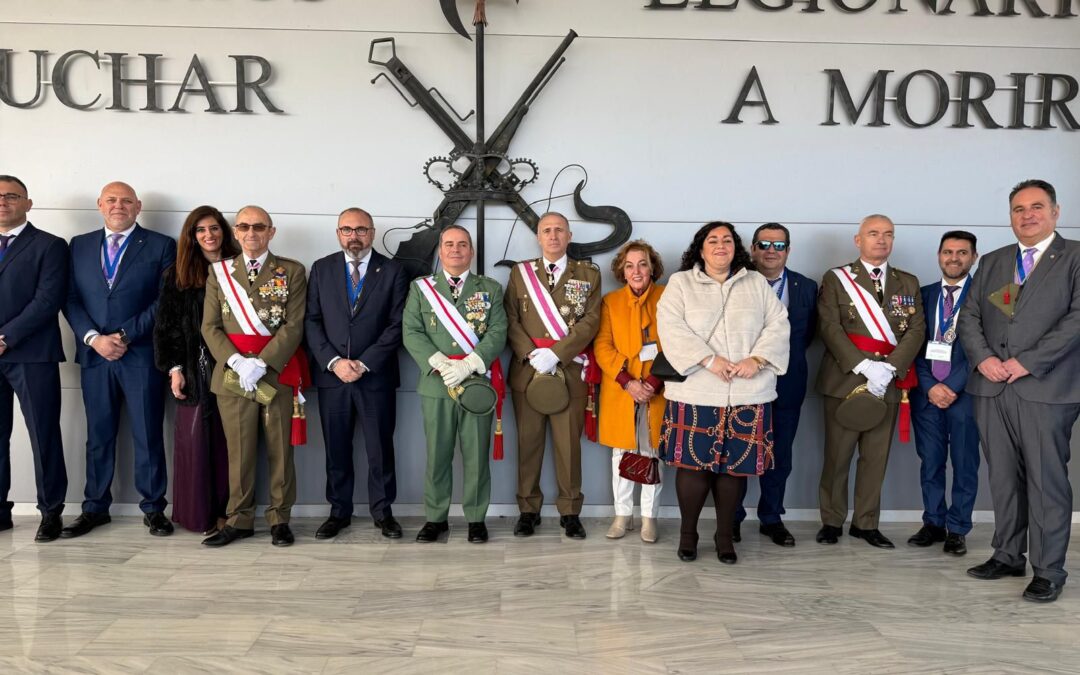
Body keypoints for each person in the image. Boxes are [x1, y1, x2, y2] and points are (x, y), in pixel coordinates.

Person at [958, 179, 1080, 603]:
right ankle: (1008, 554)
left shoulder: (1075, 257)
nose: (1027, 215)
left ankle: (1048, 570)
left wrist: (1027, 361)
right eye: (1018, 209)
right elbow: (970, 316)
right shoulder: (995, 261)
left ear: (1055, 212)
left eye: (1036, 207)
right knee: (1003, 477)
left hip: (1046, 387)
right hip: (992, 386)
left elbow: (1077, 319)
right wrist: (983, 359)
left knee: (1046, 481)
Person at [656, 222, 789, 564]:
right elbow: (670, 328)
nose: (720, 245)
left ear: (736, 248)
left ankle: (725, 535)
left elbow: (778, 324)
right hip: (697, 392)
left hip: (747, 392)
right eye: (712, 240)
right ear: (700, 249)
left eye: (727, 240)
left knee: (734, 470)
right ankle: (688, 534)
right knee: (693, 468)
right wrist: (709, 360)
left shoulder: (755, 282)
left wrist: (757, 359)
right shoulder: (680, 283)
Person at [62, 181, 176, 538]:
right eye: (111, 200)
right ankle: (95, 508)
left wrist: (125, 335)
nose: (118, 206)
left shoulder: (161, 245)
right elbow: (69, 298)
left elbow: (165, 301)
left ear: (138, 207)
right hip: (95, 356)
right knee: (98, 436)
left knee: (147, 434)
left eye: (126, 201)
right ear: (100, 204)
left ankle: (154, 509)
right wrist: (94, 339)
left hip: (139, 354)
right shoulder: (79, 245)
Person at [201, 206, 308, 548]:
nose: (251, 233)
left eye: (259, 227)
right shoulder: (219, 272)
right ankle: (239, 519)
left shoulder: (291, 271)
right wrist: (237, 361)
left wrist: (262, 364)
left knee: (280, 451)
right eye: (244, 226)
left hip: (276, 372)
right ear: (235, 232)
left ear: (271, 232)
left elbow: (294, 325)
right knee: (240, 451)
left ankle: (279, 519)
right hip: (233, 376)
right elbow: (210, 326)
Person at [815, 214, 924, 549]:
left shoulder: (908, 282)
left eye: (888, 234)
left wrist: (888, 369)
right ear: (858, 240)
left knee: (875, 458)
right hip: (845, 379)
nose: (882, 240)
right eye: (874, 233)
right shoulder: (837, 278)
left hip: (888, 382)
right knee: (838, 457)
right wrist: (864, 366)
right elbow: (829, 327)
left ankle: (865, 523)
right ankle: (832, 520)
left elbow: (916, 330)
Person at [305, 207, 409, 540]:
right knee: (336, 449)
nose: (354, 236)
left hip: (375, 377)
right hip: (332, 377)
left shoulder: (393, 271)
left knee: (380, 449)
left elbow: (397, 324)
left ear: (372, 233)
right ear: (338, 234)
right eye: (347, 230)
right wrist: (334, 361)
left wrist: (364, 363)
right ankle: (339, 512)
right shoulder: (321, 269)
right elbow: (312, 321)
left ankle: (383, 513)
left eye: (361, 229)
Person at [402, 225, 508, 543]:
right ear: (440, 250)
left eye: (462, 244)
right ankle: (436, 518)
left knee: (476, 455)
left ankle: (476, 518)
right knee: (437, 455)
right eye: (449, 244)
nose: (455, 250)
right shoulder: (421, 288)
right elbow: (411, 330)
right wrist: (439, 362)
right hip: (437, 384)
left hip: (476, 385)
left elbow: (498, 330)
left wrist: (469, 364)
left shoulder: (490, 288)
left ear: (471, 251)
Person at [504, 212, 601, 539]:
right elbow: (510, 317)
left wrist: (557, 354)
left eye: (559, 230)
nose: (553, 235)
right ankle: (527, 510)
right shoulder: (520, 273)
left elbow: (591, 321)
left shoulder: (588, 274)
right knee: (528, 444)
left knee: (568, 447)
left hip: (569, 371)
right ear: (538, 236)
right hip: (528, 371)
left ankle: (570, 511)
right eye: (547, 230)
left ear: (569, 236)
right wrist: (532, 354)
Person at [153, 206, 240, 535]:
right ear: (191, 236)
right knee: (198, 442)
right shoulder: (177, 274)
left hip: (236, 365)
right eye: (200, 230)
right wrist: (175, 369)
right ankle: (200, 515)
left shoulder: (240, 268)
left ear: (224, 232)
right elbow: (167, 327)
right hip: (195, 368)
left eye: (214, 228)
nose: (208, 235)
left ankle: (230, 511)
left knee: (231, 442)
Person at [735, 223, 817, 547]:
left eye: (779, 245)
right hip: (743, 383)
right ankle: (732, 518)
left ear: (788, 250)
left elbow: (806, 336)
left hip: (788, 383)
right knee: (738, 454)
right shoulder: (736, 282)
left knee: (780, 455)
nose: (771, 250)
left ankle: (771, 517)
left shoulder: (806, 287)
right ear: (753, 249)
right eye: (764, 244)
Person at [0, 175, 69, 542]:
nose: (3, 202)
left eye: (12, 196)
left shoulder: (50, 245)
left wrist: (5, 337)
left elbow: (47, 300)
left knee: (43, 435)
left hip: (33, 354)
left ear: (28, 203)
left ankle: (51, 512)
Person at [909, 231, 980, 556]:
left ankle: (958, 528)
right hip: (927, 395)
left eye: (962, 252)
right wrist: (930, 385)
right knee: (931, 462)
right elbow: (912, 346)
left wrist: (951, 386)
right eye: (948, 252)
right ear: (939, 255)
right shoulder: (923, 295)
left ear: (974, 257)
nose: (954, 258)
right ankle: (934, 523)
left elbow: (988, 346)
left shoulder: (986, 296)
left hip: (965, 394)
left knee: (965, 463)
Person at [593, 240, 666, 543]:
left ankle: (649, 517)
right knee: (621, 452)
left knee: (652, 452)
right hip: (620, 389)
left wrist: (653, 382)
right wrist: (628, 381)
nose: (636, 271)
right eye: (629, 265)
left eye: (643, 264)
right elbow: (602, 346)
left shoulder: (667, 297)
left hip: (657, 390)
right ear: (622, 271)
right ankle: (622, 515)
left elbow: (676, 343)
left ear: (652, 268)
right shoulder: (610, 302)